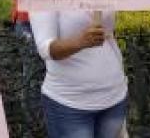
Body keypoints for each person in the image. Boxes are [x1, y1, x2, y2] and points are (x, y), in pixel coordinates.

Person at [29, 10, 128, 138]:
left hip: (114, 96)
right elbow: (45, 48)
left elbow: (108, 33)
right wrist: (81, 42)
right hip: (70, 104)